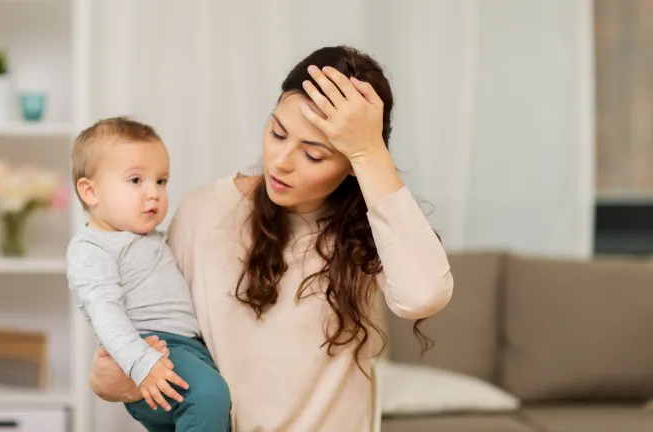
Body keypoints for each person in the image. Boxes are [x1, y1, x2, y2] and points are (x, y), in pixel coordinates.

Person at [89, 45, 454, 431]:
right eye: (277, 132)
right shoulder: (204, 212)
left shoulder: (369, 231)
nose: (280, 161)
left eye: (314, 155)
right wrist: (128, 385)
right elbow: (177, 354)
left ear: (352, 165)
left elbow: (423, 295)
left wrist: (369, 152)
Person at [66, 118, 231, 431]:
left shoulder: (151, 237)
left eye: (161, 181)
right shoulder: (91, 248)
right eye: (135, 181)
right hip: (150, 348)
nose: (153, 193)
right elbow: (105, 312)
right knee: (209, 395)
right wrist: (142, 363)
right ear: (90, 192)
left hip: (188, 349)